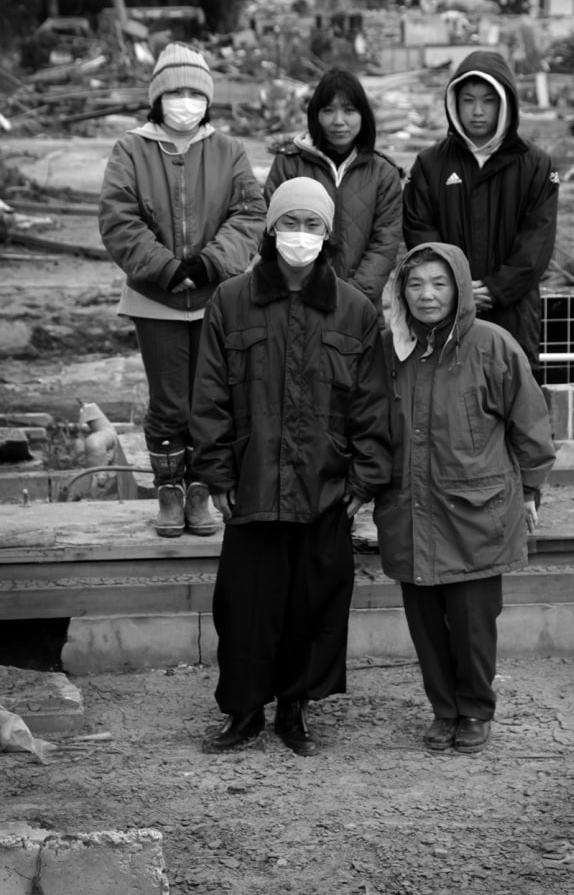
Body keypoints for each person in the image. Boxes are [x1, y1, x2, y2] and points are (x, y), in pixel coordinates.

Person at [190, 177, 392, 756]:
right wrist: (217, 473)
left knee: (312, 604)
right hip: (252, 485)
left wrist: (363, 480)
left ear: (327, 234)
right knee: (246, 606)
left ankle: (294, 710)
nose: (299, 236)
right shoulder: (230, 300)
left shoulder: (355, 310)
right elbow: (207, 397)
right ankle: (244, 711)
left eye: (312, 225)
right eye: (289, 223)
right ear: (270, 228)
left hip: (323, 488)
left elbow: (373, 402)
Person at [374, 242, 555, 754]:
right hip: (410, 507)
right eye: (415, 284)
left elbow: (530, 423)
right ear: (400, 292)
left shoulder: (492, 345)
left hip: (476, 510)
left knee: (473, 623)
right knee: (426, 622)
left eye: (438, 283)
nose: (427, 295)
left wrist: (532, 489)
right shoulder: (393, 349)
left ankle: (475, 708)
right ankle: (443, 709)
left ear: (458, 287)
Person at [99, 43, 266, 538]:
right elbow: (117, 216)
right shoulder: (131, 148)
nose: (186, 101)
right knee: (170, 402)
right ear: (158, 97)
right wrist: (166, 268)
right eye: (176, 91)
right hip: (157, 298)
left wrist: (213, 261)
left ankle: (201, 489)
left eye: (196, 91)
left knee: (211, 399)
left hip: (218, 298)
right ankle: (169, 490)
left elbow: (250, 212)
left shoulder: (229, 150)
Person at [402, 50, 559, 373]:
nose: (477, 111)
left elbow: (537, 241)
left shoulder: (535, 165)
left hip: (514, 311)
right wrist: (456, 285)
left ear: (505, 104)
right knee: (446, 402)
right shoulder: (430, 165)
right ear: (453, 103)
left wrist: (497, 288)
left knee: (514, 399)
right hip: (446, 311)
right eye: (468, 100)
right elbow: (420, 231)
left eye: (488, 101)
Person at [265, 67, 403, 315]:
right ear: (316, 115)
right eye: (328, 110)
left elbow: (385, 243)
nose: (339, 121)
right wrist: (309, 292)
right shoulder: (289, 164)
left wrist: (352, 296)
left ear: (364, 115)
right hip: (294, 303)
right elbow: (270, 231)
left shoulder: (383, 173)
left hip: (360, 308)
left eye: (349, 110)